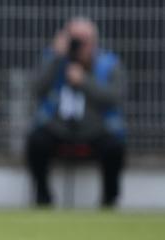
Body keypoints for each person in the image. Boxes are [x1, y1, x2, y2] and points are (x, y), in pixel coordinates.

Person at [26, 17, 126, 208]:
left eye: (84, 40)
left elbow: (115, 97)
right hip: (58, 127)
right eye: (74, 39)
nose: (79, 45)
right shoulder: (54, 60)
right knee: (36, 141)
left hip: (95, 128)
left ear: (94, 42)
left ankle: (109, 200)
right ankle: (43, 198)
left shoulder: (108, 63)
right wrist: (56, 57)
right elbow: (36, 89)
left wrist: (84, 82)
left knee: (114, 146)